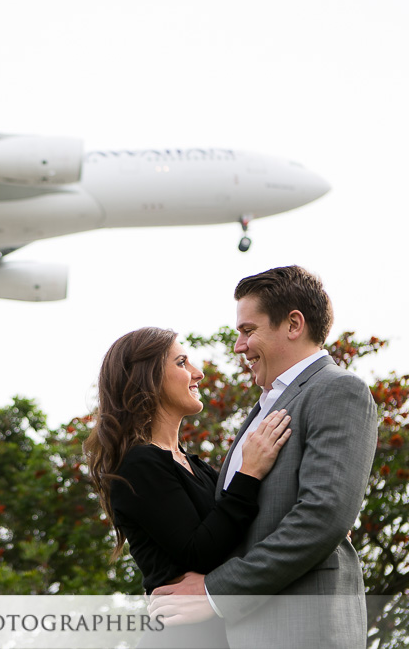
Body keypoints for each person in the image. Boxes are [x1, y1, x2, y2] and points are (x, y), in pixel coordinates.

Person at [151, 265, 379, 648]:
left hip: (304, 631)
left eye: (248, 330)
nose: (239, 346)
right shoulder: (263, 409)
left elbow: (323, 516)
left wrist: (214, 592)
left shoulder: (339, 390)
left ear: (293, 324)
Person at [85, 326, 292, 648]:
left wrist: (313, 518)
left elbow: (240, 528)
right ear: (147, 378)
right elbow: (200, 550)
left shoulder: (192, 464)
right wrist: (249, 471)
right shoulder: (139, 464)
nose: (197, 374)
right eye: (182, 363)